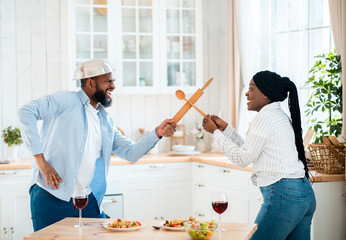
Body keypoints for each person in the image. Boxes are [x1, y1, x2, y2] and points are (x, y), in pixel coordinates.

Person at [18, 59, 177, 231]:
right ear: (90, 82)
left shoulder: (105, 121)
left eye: (113, 81)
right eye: (108, 81)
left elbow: (130, 153)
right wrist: (41, 161)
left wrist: (157, 133)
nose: (113, 86)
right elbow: (26, 112)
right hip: (51, 195)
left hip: (86, 199)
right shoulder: (64, 100)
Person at [202, 70, 316, 240]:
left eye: (251, 88)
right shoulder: (277, 115)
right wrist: (225, 129)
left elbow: (242, 159)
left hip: (284, 196)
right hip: (304, 194)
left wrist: (215, 133)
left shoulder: (264, 118)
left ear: (265, 94)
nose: (247, 93)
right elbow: (251, 151)